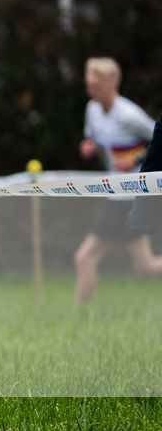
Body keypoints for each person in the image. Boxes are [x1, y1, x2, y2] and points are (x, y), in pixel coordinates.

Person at [73, 57, 162, 306]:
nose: (91, 92)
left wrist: (135, 161)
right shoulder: (92, 109)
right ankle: (80, 315)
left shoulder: (129, 114)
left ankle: (79, 317)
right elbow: (97, 139)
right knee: (145, 267)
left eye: (96, 87)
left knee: (84, 258)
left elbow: (157, 139)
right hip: (116, 195)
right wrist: (90, 146)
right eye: (89, 87)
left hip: (131, 197)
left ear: (111, 84)